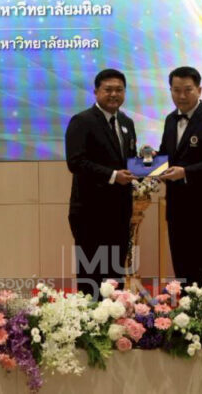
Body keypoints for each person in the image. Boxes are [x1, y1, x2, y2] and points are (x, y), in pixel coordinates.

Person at [64, 69, 137, 297]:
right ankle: (89, 318)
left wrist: (147, 162)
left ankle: (114, 316)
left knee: (115, 274)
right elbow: (76, 162)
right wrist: (113, 175)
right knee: (91, 274)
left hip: (120, 211)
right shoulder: (82, 121)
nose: (114, 94)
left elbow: (128, 162)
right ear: (96, 91)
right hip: (90, 212)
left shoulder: (126, 122)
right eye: (108, 90)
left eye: (119, 90)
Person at [158, 66, 202, 288]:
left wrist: (186, 172)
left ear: (199, 90)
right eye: (176, 90)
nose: (182, 96)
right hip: (176, 207)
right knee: (183, 266)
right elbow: (167, 156)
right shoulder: (170, 120)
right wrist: (151, 164)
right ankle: (186, 309)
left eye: (187, 90)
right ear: (170, 91)